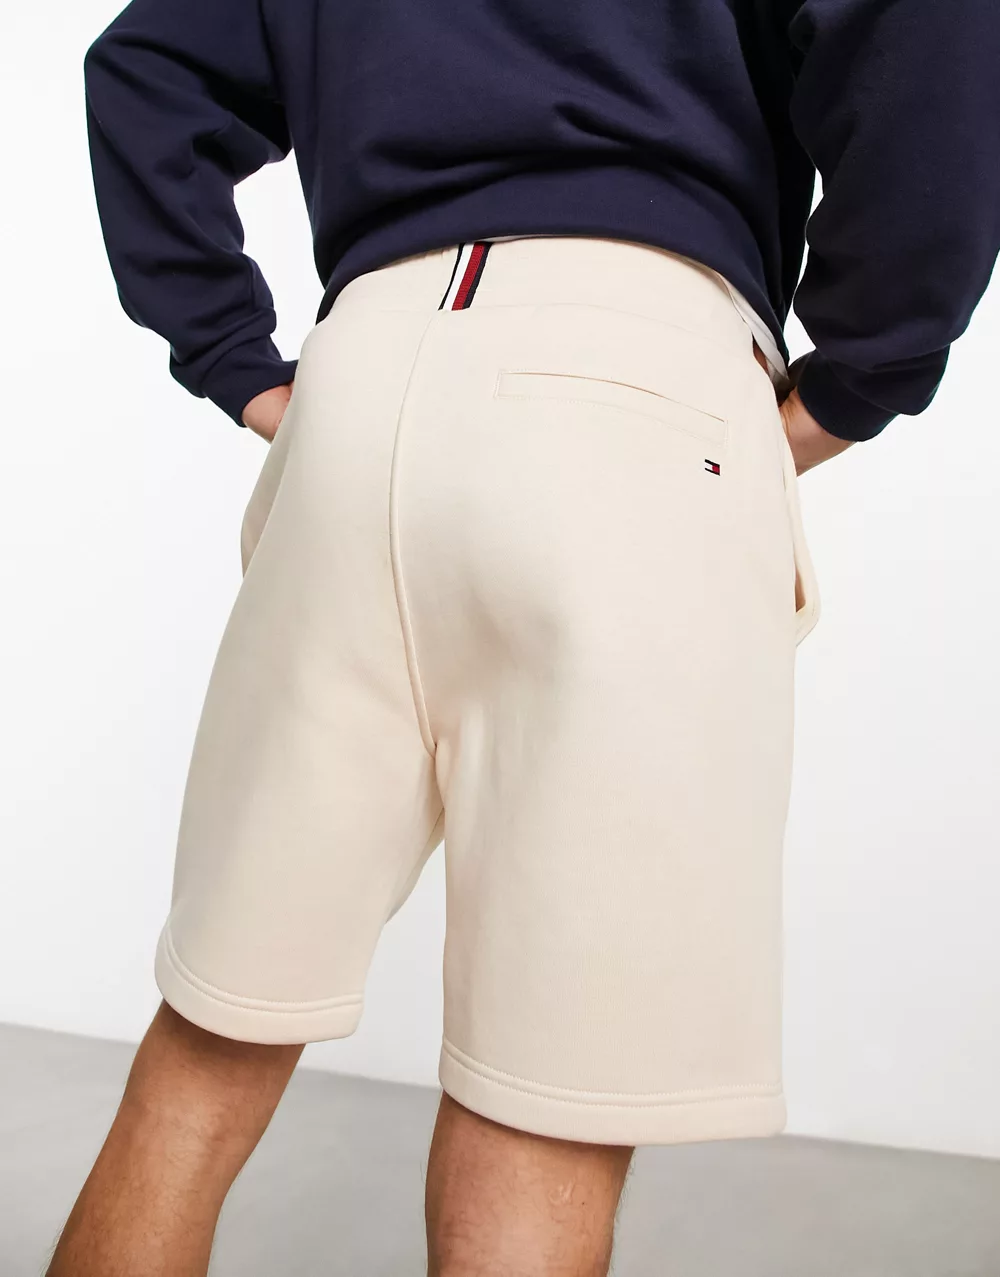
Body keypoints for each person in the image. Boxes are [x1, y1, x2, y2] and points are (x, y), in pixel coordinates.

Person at [52, 0, 998, 1272]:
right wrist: (861, 372)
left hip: (367, 370)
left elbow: (148, 71)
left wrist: (235, 353)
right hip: (639, 356)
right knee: (544, 1104)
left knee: (206, 1051)